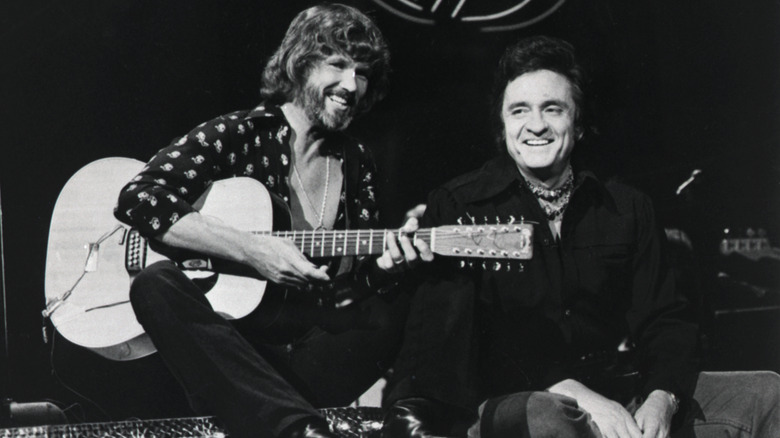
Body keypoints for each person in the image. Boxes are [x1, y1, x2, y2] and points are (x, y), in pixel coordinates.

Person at [381, 36, 780, 438]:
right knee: (548, 416)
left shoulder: (626, 206)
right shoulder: (459, 204)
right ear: (502, 126)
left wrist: (662, 397)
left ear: (579, 123)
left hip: (615, 390)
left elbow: (666, 319)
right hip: (513, 398)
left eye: (552, 109)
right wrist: (572, 391)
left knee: (766, 391)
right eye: (519, 110)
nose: (536, 125)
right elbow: (460, 342)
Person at [113, 4, 432, 438]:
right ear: (299, 64)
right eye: (337, 64)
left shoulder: (358, 163)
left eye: (362, 73)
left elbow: (348, 293)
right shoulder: (238, 135)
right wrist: (253, 250)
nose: (351, 84)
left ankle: (398, 423)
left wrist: (383, 270)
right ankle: (295, 428)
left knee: (424, 283)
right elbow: (139, 198)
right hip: (233, 358)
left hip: (310, 358)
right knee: (154, 284)